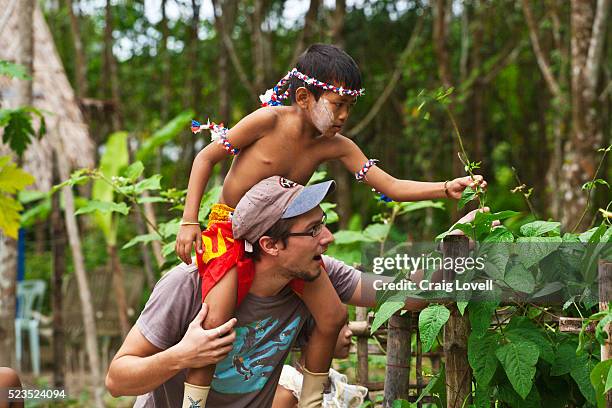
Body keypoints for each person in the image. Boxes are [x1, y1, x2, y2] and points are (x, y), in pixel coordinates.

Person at [175, 43, 486, 406]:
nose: (343, 116)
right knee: (216, 322)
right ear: (305, 97)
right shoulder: (267, 122)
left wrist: (446, 188)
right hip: (232, 231)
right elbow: (206, 157)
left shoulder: (336, 146)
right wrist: (188, 220)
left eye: (350, 107)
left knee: (332, 315)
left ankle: (310, 402)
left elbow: (392, 187)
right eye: (337, 104)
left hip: (285, 244)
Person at [107, 176, 489, 407]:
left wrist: (453, 242)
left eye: (322, 223)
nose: (328, 237)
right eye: (312, 231)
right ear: (271, 245)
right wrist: (183, 355)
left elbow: (409, 294)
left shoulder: (317, 275)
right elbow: (117, 379)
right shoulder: (186, 285)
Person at [272, 319, 368, 408]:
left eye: (347, 324)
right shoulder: (289, 389)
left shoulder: (337, 385)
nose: (349, 332)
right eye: (338, 326)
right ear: (310, 334)